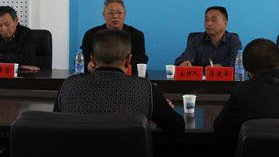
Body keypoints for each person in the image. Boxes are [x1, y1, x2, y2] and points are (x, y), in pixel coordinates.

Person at [55, 29, 183, 133]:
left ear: (93, 59)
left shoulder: (69, 86)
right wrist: (160, 108)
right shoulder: (145, 89)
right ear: (128, 60)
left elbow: (54, 126)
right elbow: (177, 126)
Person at [80, 0, 147, 75]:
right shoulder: (91, 34)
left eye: (119, 12)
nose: (115, 16)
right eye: (111, 13)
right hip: (97, 76)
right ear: (104, 15)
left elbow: (141, 60)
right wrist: (88, 66)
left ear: (125, 14)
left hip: (127, 77)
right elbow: (82, 59)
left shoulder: (136, 35)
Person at [175, 6, 242, 68]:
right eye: (206, 20)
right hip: (201, 77)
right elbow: (184, 57)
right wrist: (184, 62)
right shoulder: (197, 40)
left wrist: (222, 66)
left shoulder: (234, 41)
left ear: (225, 23)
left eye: (213, 20)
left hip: (225, 77)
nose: (209, 23)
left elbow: (237, 63)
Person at [0, 6, 41, 72]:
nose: (4, 29)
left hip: (24, 75)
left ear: (16, 21)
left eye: (7, 24)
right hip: (0, 75)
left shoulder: (27, 34)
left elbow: (29, 60)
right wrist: (19, 66)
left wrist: (1, 56)